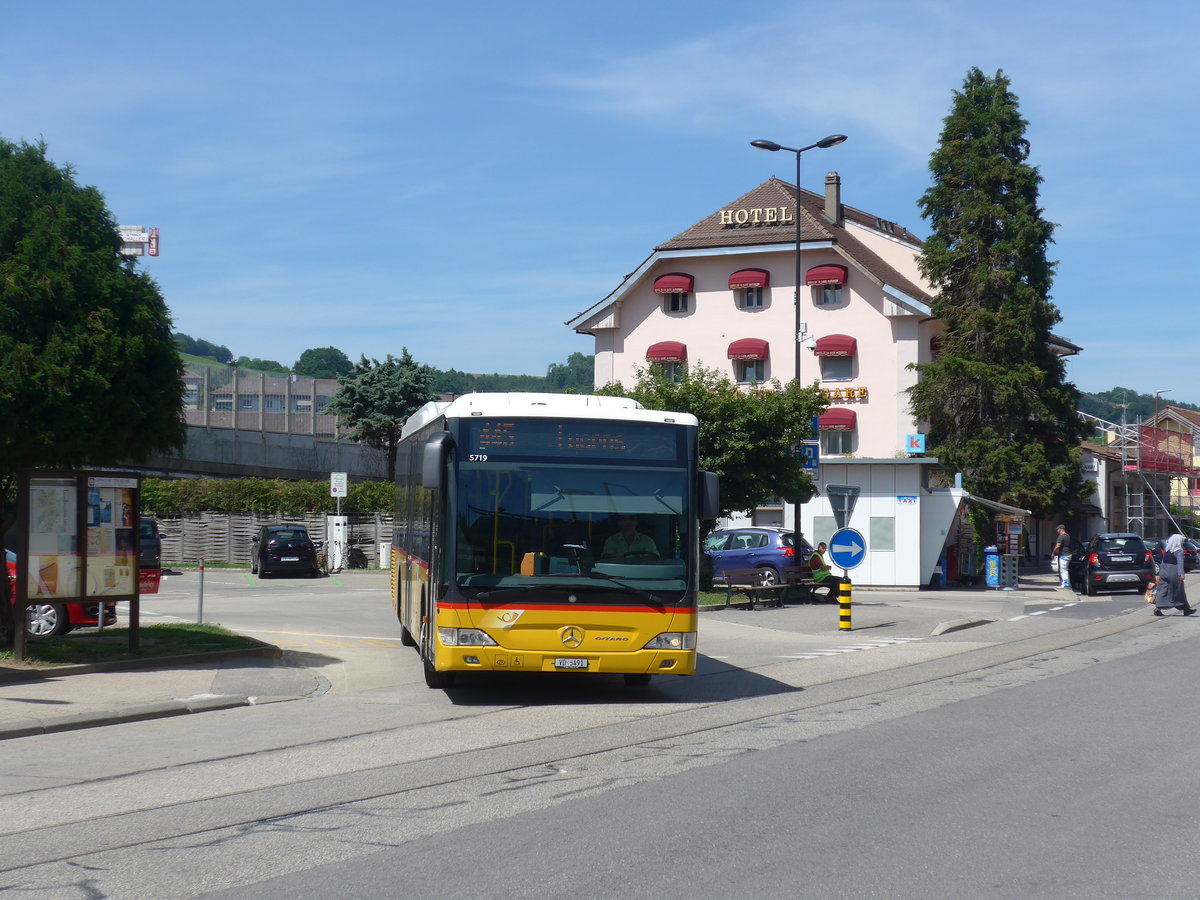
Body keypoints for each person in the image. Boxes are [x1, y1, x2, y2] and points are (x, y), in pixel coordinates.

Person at [1153, 533, 1196, 616]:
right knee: (1179, 591)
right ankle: (1186, 609)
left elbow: (1163, 562)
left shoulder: (1167, 551)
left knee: (1163, 590)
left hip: (1164, 573)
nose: (1182, 542)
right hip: (1174, 573)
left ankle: (1158, 608)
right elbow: (1180, 563)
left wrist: (1160, 573)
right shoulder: (1179, 551)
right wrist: (1181, 574)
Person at [1050, 524, 1072, 589]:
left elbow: (1058, 545)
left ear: (1061, 529)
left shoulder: (1061, 536)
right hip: (1068, 554)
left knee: (1063, 570)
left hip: (1063, 555)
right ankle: (1068, 583)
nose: (1057, 531)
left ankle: (1065, 584)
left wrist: (1053, 553)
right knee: (1066, 569)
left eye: (1058, 529)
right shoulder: (1068, 536)